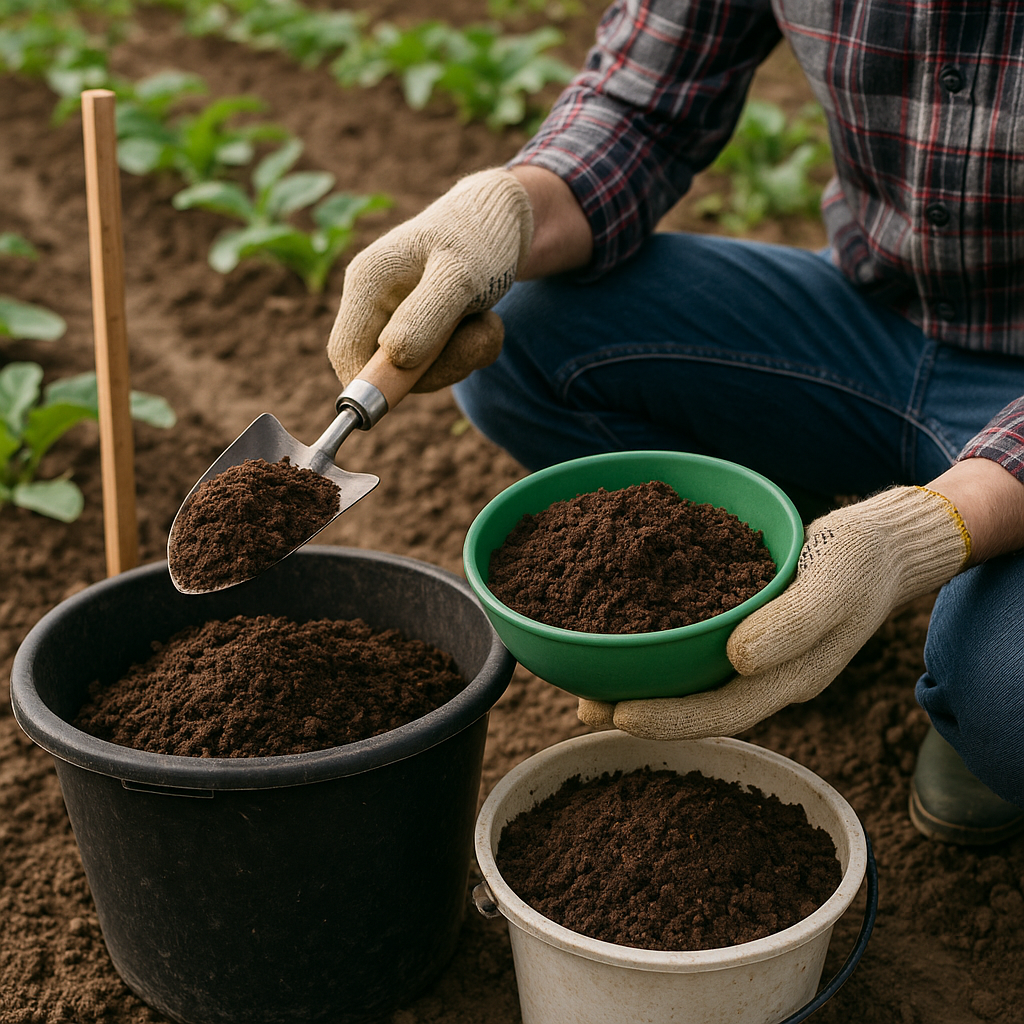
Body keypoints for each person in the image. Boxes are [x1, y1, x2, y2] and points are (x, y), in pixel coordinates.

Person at [327, 0, 1024, 846]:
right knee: (532, 334)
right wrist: (507, 210)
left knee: (1007, 703)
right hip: (872, 316)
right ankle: (792, 586)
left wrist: (922, 533)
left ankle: (964, 693)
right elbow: (644, 103)